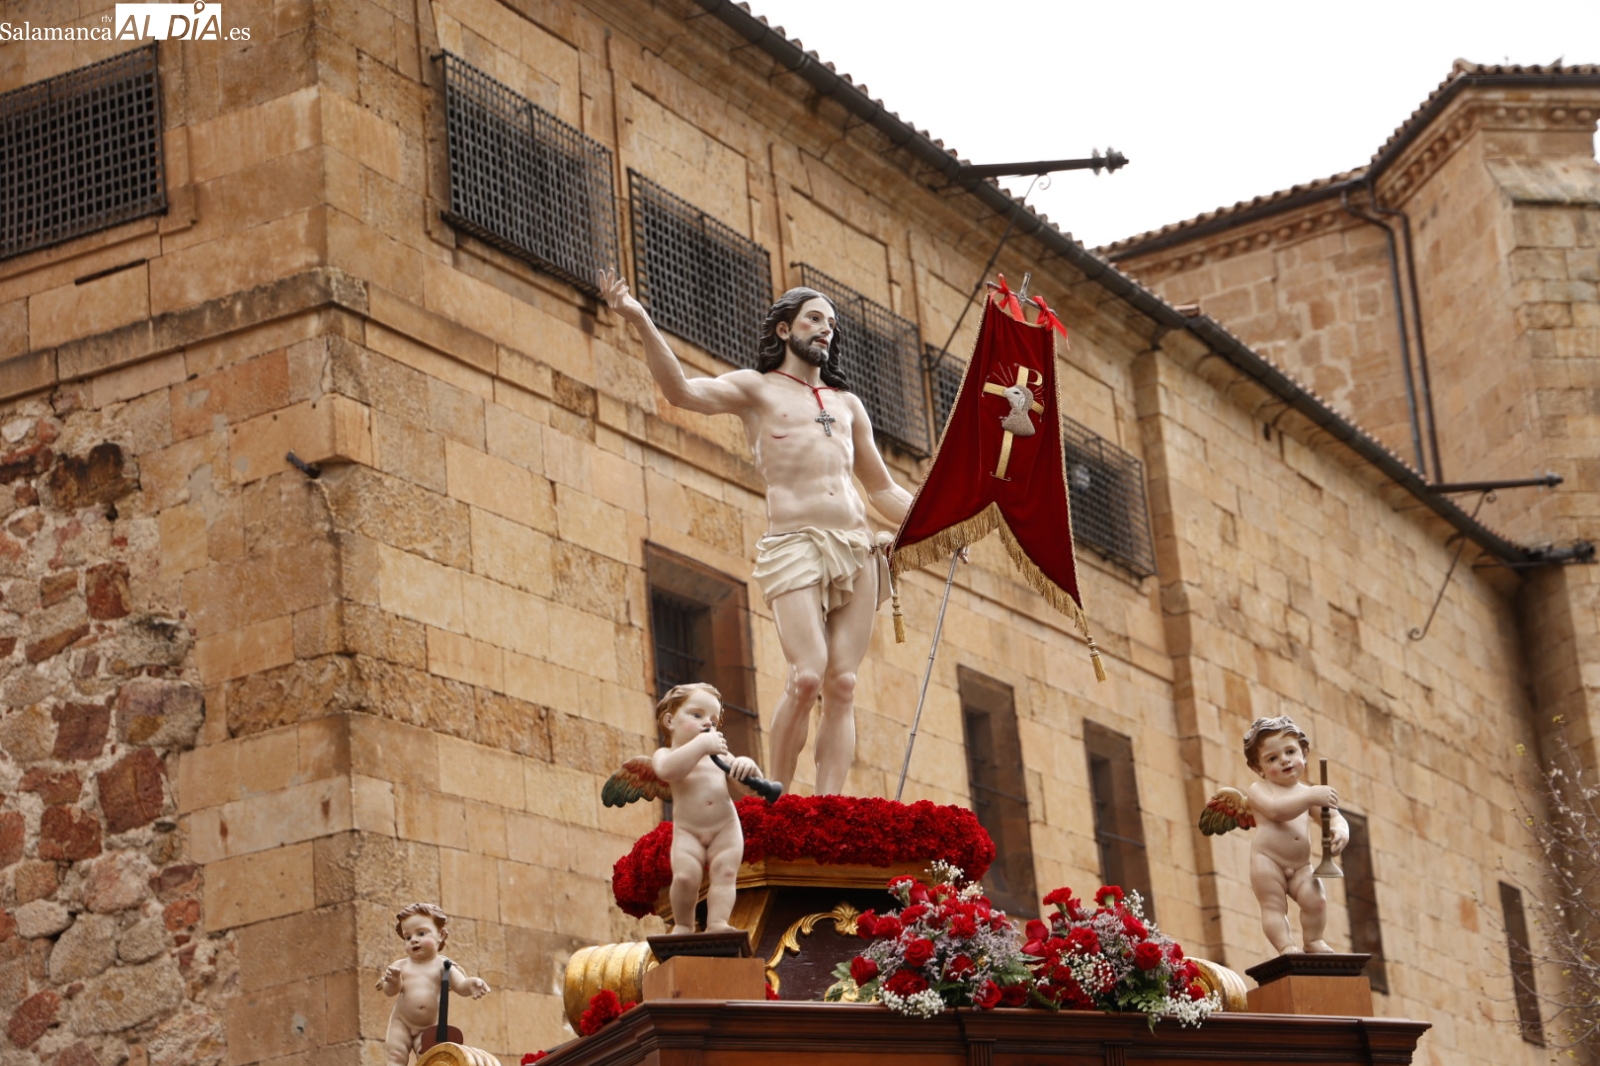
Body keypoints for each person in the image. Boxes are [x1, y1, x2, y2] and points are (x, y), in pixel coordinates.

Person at [599, 269, 913, 795]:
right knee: (807, 674)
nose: (825, 329)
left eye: (831, 323)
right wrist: (638, 317)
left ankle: (827, 806)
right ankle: (779, 800)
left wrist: (939, 523)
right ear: (785, 330)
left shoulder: (847, 404)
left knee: (843, 683)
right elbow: (680, 392)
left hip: (858, 547)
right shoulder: (756, 389)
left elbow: (881, 490)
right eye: (814, 318)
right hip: (794, 545)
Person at [649, 682, 764, 934]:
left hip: (725, 827)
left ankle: (718, 923)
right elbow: (668, 771)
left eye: (713, 720)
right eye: (697, 715)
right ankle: (683, 925)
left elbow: (747, 788)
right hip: (689, 831)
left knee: (724, 874)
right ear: (670, 720)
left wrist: (747, 767)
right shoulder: (665, 754)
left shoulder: (720, 756)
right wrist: (701, 745)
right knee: (685, 877)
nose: (707, 724)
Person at [1237, 716, 1349, 954]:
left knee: (1316, 900)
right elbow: (1278, 811)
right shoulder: (1258, 790)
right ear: (1259, 768)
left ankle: (1313, 940)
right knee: (1274, 906)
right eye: (1272, 758)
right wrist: (1311, 797)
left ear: (1304, 754)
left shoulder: (1308, 792)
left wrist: (1340, 831)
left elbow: (1334, 816)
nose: (1285, 760)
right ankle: (1286, 946)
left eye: (1290, 751)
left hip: (1301, 865)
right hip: (1268, 861)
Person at [376, 902, 491, 1064]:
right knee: (396, 1057)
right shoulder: (401, 966)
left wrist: (472, 984)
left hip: (429, 1027)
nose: (414, 940)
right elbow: (390, 991)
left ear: (441, 935)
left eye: (421, 933)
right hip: (401, 1023)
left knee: (429, 1060)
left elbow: (460, 985)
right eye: (408, 937)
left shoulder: (443, 966)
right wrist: (393, 981)